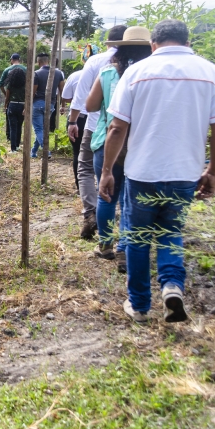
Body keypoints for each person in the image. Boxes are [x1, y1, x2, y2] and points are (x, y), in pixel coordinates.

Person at [98, 19, 215, 324]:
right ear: (188, 43)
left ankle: (140, 306)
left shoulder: (136, 72)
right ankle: (172, 286)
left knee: (137, 238)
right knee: (170, 232)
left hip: (142, 172)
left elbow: (117, 127)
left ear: (153, 45)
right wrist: (213, 171)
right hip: (184, 173)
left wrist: (107, 170)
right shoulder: (209, 72)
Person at [85, 26, 153, 274]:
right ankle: (125, 247)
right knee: (130, 199)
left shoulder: (107, 73)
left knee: (106, 194)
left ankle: (105, 245)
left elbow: (91, 106)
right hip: (139, 143)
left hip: (108, 140)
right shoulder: (150, 74)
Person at [68, 25, 127, 239]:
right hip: (131, 133)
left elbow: (82, 97)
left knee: (85, 168)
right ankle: (124, 236)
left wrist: (72, 121)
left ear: (107, 42)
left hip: (97, 128)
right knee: (125, 178)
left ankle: (91, 213)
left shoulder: (97, 62)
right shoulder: (141, 63)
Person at [30, 53, 64, 159]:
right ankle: (34, 151)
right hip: (51, 104)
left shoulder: (37, 73)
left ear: (38, 62)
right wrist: (63, 105)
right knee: (42, 129)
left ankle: (46, 151)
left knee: (39, 129)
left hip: (38, 103)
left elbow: (33, 91)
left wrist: (27, 106)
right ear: (48, 61)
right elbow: (62, 91)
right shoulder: (59, 73)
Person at [60, 69, 85, 191]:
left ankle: (80, 187)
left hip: (78, 119)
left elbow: (65, 96)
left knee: (78, 152)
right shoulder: (107, 73)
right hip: (98, 119)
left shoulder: (75, 75)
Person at [3, 66, 35, 152]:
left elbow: (7, 96)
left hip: (12, 105)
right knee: (19, 126)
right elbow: (27, 97)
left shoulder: (11, 84)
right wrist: (26, 108)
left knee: (12, 127)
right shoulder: (25, 85)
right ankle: (17, 145)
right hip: (22, 106)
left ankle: (13, 148)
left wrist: (5, 105)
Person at [0, 53, 26, 141]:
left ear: (11, 60)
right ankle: (17, 140)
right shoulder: (25, 69)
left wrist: (6, 94)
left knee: (10, 120)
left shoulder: (7, 70)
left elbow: (1, 84)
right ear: (19, 59)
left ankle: (9, 137)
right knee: (20, 121)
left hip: (11, 101)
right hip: (22, 100)